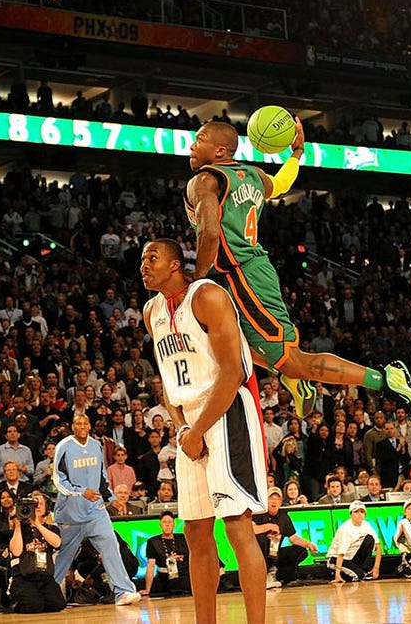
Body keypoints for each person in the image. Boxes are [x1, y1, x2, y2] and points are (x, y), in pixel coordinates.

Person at [183, 120, 411, 424]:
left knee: (294, 362)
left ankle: (387, 379)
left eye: (200, 139)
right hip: (244, 273)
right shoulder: (254, 176)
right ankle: (295, 380)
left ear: (219, 150)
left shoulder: (205, 180)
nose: (192, 145)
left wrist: (197, 276)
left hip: (240, 276)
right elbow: (282, 184)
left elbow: (209, 233)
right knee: (232, 346)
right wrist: (296, 154)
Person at [141, 239, 267, 624]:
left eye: (152, 258)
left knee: (237, 526)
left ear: (176, 264)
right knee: (195, 531)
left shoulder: (208, 296)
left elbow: (233, 372)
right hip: (190, 422)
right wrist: (183, 430)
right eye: (142, 260)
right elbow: (167, 379)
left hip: (226, 412)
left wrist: (198, 430)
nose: (143, 265)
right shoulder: (152, 312)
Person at [50, 414, 140, 606]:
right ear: (72, 427)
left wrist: (111, 498)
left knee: (111, 545)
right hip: (70, 513)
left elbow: (101, 476)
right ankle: (49, 590)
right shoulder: (63, 447)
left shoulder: (95, 446)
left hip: (95, 510)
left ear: (89, 426)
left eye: (85, 423)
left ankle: (123, 591)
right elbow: (58, 480)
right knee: (64, 554)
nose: (82, 426)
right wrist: (81, 492)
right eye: (78, 423)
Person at [7, 491, 65, 614]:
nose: (37, 506)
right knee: (34, 606)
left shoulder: (51, 529)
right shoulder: (20, 530)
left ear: (47, 508)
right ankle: (16, 604)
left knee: (58, 604)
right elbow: (16, 552)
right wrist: (17, 526)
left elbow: (57, 543)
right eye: (33, 503)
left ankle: (39, 600)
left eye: (40, 503)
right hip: (23, 578)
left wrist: (37, 524)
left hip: (44, 577)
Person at [252, 487, 317, 588]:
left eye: (277, 499)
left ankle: (281, 575)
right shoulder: (258, 513)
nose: (274, 502)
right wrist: (269, 526)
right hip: (258, 554)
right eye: (271, 498)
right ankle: (264, 574)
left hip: (275, 553)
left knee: (300, 551)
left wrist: (308, 544)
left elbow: (293, 538)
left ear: (281, 502)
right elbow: (252, 530)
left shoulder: (284, 516)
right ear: (266, 500)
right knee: (263, 540)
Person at [326, 500, 381, 582]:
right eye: (356, 512)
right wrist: (337, 575)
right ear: (351, 514)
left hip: (353, 558)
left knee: (369, 539)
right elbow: (340, 554)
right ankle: (338, 573)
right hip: (337, 559)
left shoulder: (367, 525)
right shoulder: (346, 529)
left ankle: (364, 569)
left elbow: (378, 547)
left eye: (362, 512)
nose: (359, 514)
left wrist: (376, 568)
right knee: (359, 576)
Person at [140, 511, 191, 596]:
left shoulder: (183, 538)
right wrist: (147, 589)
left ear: (174, 524)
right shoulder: (153, 542)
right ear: (160, 525)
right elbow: (151, 566)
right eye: (164, 522)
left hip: (184, 575)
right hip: (166, 577)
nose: (167, 525)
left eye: (170, 522)